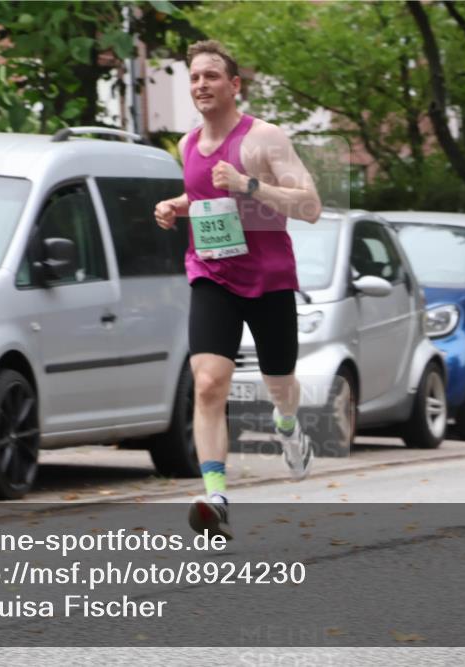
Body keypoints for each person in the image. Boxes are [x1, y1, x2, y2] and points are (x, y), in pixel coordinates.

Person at [154, 40, 323, 540]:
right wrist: (176, 206)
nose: (201, 85)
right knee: (207, 383)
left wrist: (250, 185)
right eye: (194, 78)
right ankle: (216, 498)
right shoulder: (186, 145)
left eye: (211, 76)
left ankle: (289, 426)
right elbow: (205, 196)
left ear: (234, 85)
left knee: (279, 384)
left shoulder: (265, 138)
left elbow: (310, 205)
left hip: (269, 278)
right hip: (212, 274)